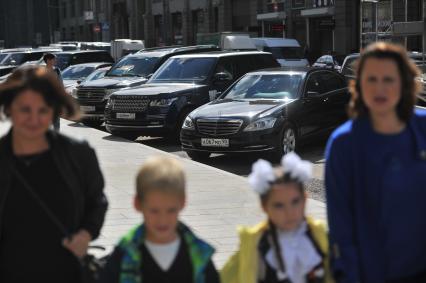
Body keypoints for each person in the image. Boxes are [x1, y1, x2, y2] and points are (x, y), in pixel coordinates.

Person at [325, 42, 426, 283]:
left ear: (404, 83)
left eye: (388, 79)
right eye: (371, 79)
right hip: (370, 274)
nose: (379, 88)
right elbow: (341, 228)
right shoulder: (343, 144)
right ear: (358, 85)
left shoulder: (423, 128)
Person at [0, 65, 108, 282]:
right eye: (25, 109)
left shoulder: (78, 155)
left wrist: (86, 234)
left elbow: (97, 201)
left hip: (65, 270)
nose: (34, 119)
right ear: (10, 108)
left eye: (43, 110)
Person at [99, 156, 220, 283]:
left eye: (171, 210)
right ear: (137, 204)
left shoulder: (200, 254)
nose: (163, 220)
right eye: (154, 211)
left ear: (182, 202)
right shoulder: (123, 254)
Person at [221, 152, 333, 283]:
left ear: (305, 199)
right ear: (264, 207)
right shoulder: (254, 245)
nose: (289, 212)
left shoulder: (320, 236)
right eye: (279, 205)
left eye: (295, 201)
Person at [43, 52, 62, 131]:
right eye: (54, 59)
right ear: (48, 60)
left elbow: (60, 84)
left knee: (56, 120)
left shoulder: (57, 70)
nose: (55, 61)